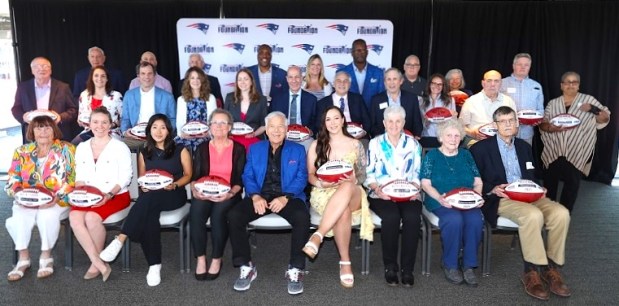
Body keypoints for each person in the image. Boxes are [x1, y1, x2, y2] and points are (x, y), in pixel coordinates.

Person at [471, 106, 571, 301]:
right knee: (532, 216)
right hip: (501, 198)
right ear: (495, 125)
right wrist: (492, 188)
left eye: (511, 120)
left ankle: (550, 268)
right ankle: (531, 271)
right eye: (503, 121)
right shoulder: (480, 148)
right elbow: (473, 179)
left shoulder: (525, 147)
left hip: (529, 196)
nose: (508, 124)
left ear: (517, 124)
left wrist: (539, 188)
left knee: (561, 213)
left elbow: (532, 174)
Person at [99, 114, 192, 287]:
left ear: (168, 130)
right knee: (149, 213)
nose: (158, 131)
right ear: (149, 130)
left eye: (163, 127)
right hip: (150, 195)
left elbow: (188, 175)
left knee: (148, 202)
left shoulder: (181, 149)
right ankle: (154, 266)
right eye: (155, 127)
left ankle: (120, 239)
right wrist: (144, 187)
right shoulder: (144, 151)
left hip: (173, 194)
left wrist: (175, 185)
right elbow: (142, 178)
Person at [227, 111, 309, 295]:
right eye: (272, 126)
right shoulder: (255, 149)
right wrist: (255, 196)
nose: (276, 130)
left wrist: (285, 196)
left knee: (302, 217)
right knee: (234, 215)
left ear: (287, 129)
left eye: (281, 126)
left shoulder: (298, 149)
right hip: (261, 196)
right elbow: (247, 175)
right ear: (266, 129)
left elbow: (302, 177)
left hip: (288, 197)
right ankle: (246, 266)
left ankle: (295, 268)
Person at [303, 105, 374, 289]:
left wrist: (354, 178)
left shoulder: (356, 144)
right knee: (342, 213)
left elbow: (363, 176)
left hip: (354, 192)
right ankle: (345, 262)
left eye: (336, 118)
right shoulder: (316, 144)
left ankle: (318, 235)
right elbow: (310, 174)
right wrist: (320, 183)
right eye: (328, 119)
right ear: (324, 123)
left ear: (343, 120)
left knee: (348, 184)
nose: (332, 122)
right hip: (324, 192)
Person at [5, 116, 75, 281]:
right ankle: (24, 258)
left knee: (47, 215)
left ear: (54, 130)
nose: (43, 131)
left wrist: (56, 198)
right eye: (38, 128)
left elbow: (72, 180)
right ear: (32, 131)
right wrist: (17, 193)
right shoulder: (21, 151)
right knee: (19, 216)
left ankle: (46, 256)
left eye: (47, 127)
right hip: (28, 199)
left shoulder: (67, 149)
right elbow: (13, 177)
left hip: (57, 200)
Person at [69, 107, 132, 282]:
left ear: (110, 124)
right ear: (89, 124)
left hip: (116, 194)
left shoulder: (120, 147)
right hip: (89, 194)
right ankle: (98, 261)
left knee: (91, 218)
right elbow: (80, 176)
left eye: (104, 122)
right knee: (74, 216)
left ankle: (94, 264)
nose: (100, 126)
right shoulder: (81, 147)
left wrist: (109, 195)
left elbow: (125, 177)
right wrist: (80, 193)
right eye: (95, 122)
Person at [420, 118, 484, 287]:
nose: (453, 139)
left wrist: (477, 197)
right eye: (449, 135)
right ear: (441, 137)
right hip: (440, 200)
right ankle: (450, 264)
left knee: (475, 220)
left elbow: (478, 181)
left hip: (467, 200)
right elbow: (425, 184)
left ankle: (469, 265)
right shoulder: (432, 156)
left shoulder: (466, 155)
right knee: (454, 220)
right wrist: (439, 198)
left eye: (457, 136)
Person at [364, 105, 422, 287]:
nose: (394, 125)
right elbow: (368, 173)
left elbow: (418, 173)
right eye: (390, 121)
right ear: (384, 123)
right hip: (381, 194)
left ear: (404, 123)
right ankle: (390, 267)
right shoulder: (375, 143)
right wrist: (377, 188)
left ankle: (407, 269)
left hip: (408, 195)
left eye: (398, 121)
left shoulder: (413, 144)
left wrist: (415, 188)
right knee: (391, 217)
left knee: (412, 218)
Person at [539, 72, 610, 212]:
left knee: (572, 186)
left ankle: (565, 214)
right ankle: (549, 212)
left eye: (574, 82)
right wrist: (549, 127)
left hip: (577, 150)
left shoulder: (588, 100)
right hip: (553, 149)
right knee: (549, 185)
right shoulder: (553, 103)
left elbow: (605, 118)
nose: (570, 85)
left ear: (578, 85)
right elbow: (543, 123)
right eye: (567, 82)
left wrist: (592, 108)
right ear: (561, 85)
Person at [190, 109, 245, 281]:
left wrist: (230, 194)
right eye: (215, 123)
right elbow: (195, 177)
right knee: (196, 213)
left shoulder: (239, 149)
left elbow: (240, 179)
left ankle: (216, 258)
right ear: (210, 127)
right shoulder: (201, 148)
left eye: (223, 123)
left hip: (229, 193)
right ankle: (200, 258)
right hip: (203, 192)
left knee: (218, 214)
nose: (219, 126)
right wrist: (195, 191)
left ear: (230, 127)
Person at [12, 57, 78, 143]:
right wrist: (23, 117)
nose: (41, 69)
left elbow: (73, 110)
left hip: (58, 134)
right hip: (32, 135)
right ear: (32, 70)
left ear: (50, 70)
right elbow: (16, 108)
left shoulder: (63, 87)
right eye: (37, 66)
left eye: (45, 66)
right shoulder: (23, 87)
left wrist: (60, 117)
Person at [121, 61, 176, 151]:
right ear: (138, 76)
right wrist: (126, 132)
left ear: (155, 76)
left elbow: (173, 119)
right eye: (143, 73)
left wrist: (164, 134)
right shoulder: (129, 95)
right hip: (135, 138)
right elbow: (125, 119)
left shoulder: (167, 97)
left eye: (150, 73)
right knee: (120, 147)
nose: (146, 77)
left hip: (159, 137)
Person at [459, 70, 516, 148]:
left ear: (501, 83)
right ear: (483, 83)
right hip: (477, 142)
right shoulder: (471, 101)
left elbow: (516, 126)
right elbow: (460, 126)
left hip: (503, 144)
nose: (492, 84)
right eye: (489, 81)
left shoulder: (508, 101)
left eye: (496, 81)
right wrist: (472, 133)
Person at [270, 65, 318, 149]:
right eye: (291, 77)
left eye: (297, 77)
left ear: (302, 78)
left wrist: (310, 131)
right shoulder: (277, 98)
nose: (294, 80)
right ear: (287, 79)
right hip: (282, 136)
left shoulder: (311, 99)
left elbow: (316, 122)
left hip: (303, 137)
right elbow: (271, 120)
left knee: (312, 146)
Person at [500, 53, 544, 145]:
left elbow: (540, 110)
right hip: (504, 133)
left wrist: (537, 120)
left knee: (524, 158)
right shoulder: (502, 83)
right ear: (513, 66)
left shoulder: (536, 86)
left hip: (526, 134)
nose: (523, 67)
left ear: (530, 67)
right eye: (520, 64)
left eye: (526, 65)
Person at [73, 66, 123, 144]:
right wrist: (87, 124)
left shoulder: (116, 96)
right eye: (96, 75)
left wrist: (108, 125)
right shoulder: (84, 95)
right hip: (89, 132)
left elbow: (123, 119)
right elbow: (79, 119)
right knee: (73, 145)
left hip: (110, 132)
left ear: (107, 79)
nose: (99, 78)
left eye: (103, 76)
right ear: (92, 78)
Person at [316, 71, 371, 141]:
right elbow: (319, 125)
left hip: (356, 137)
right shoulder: (322, 103)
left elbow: (367, 121)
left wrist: (363, 133)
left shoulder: (358, 99)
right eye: (338, 81)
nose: (342, 83)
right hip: (332, 137)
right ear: (333, 84)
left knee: (364, 145)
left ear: (349, 84)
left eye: (345, 81)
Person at [369, 68, 423, 138]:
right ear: (385, 82)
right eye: (389, 79)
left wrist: (416, 136)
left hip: (407, 139)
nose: (392, 83)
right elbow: (372, 125)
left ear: (401, 81)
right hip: (383, 140)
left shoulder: (411, 98)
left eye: (395, 79)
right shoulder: (376, 100)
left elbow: (417, 123)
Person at [224, 68, 268, 151]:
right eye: (239, 79)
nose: (242, 82)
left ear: (251, 82)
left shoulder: (262, 100)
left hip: (253, 140)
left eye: (246, 79)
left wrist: (254, 134)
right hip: (232, 140)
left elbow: (264, 125)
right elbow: (224, 121)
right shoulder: (229, 97)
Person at [175, 66, 217, 151]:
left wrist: (208, 133)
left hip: (205, 136)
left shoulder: (211, 98)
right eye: (192, 78)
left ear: (203, 80)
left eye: (198, 78)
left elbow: (214, 120)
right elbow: (179, 121)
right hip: (186, 136)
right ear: (188, 81)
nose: (195, 81)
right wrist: (182, 134)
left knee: (201, 147)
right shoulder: (181, 99)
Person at [337, 39, 385, 109]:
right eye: (357, 50)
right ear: (352, 53)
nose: (360, 53)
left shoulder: (378, 72)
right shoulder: (341, 73)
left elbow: (382, 98)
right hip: (350, 116)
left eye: (363, 50)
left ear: (367, 52)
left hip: (371, 116)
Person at [419, 73, 457, 148]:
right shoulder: (421, 100)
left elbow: (453, 122)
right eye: (434, 83)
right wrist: (425, 121)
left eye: (440, 84)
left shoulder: (450, 100)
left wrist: (454, 117)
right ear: (429, 84)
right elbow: (418, 122)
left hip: (443, 138)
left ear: (443, 86)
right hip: (426, 136)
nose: (436, 86)